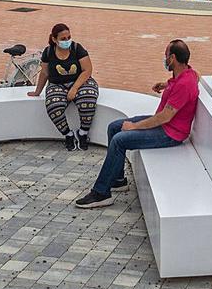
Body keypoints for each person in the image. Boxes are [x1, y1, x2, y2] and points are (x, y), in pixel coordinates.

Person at [75, 39, 199, 209]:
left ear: (173, 58)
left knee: (120, 140)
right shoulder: (187, 74)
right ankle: (118, 180)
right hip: (165, 124)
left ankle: (102, 193)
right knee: (114, 127)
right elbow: (191, 80)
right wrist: (166, 85)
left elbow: (164, 117)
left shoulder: (185, 84)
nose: (164, 59)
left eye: (166, 56)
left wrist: (134, 127)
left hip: (171, 133)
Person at [28, 23, 99, 151]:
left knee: (88, 99)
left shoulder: (77, 48)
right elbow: (44, 73)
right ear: (54, 39)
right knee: (53, 106)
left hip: (80, 82)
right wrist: (37, 91)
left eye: (68, 37)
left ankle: (83, 132)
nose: (67, 41)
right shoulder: (48, 52)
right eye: (63, 39)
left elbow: (87, 70)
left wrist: (74, 88)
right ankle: (68, 134)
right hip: (57, 84)